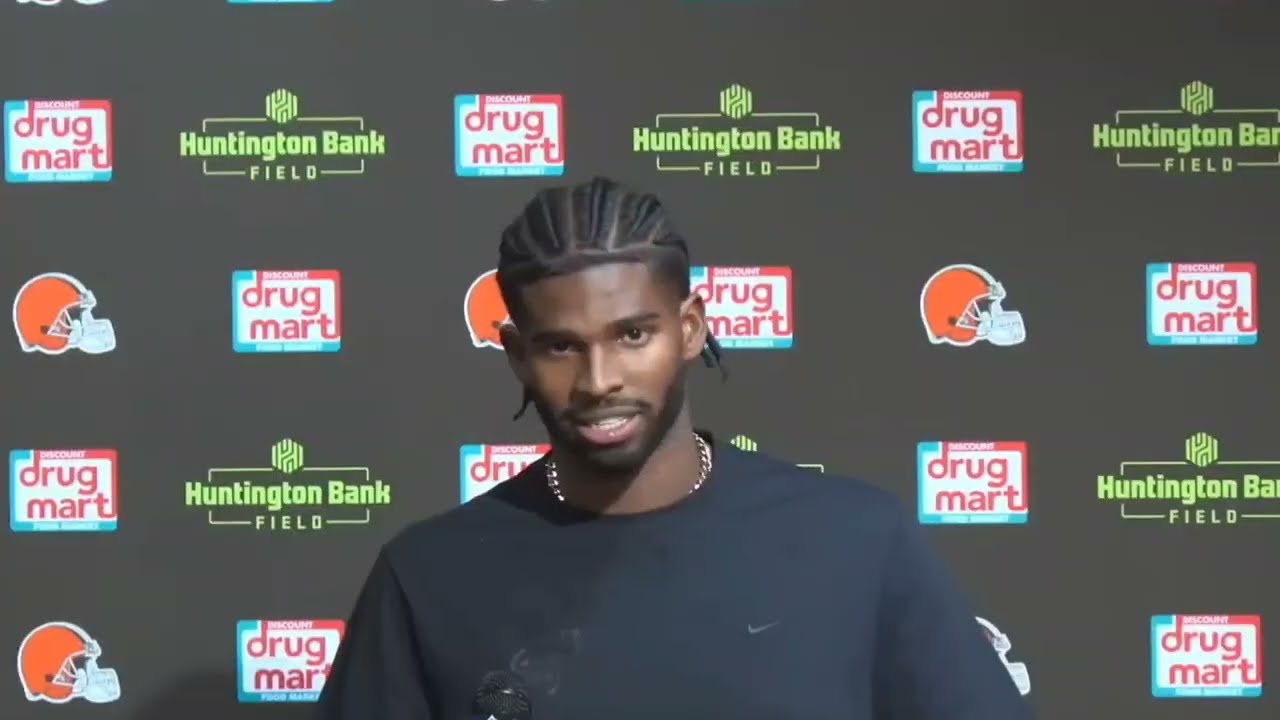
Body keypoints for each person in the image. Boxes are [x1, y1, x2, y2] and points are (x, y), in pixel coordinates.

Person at [315, 177, 1034, 720]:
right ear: (516, 356)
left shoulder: (855, 542)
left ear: (690, 328)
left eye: (633, 335)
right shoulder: (431, 577)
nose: (600, 380)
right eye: (561, 346)